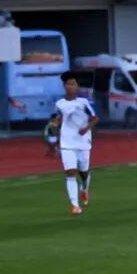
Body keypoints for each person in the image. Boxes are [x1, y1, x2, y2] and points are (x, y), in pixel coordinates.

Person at [49, 72, 98, 216]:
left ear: (77, 87)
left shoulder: (84, 102)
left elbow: (95, 118)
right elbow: (56, 120)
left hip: (83, 142)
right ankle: (75, 205)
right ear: (64, 86)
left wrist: (86, 129)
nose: (71, 87)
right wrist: (54, 128)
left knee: (84, 171)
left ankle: (84, 188)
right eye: (68, 84)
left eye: (73, 84)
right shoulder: (59, 104)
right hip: (67, 142)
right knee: (70, 173)